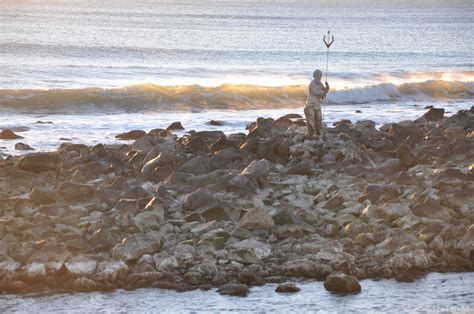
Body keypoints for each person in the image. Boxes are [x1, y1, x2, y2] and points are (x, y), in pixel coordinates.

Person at [304, 69, 329, 138]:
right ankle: (312, 132)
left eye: (320, 75)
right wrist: (322, 94)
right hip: (310, 104)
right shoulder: (312, 84)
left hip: (317, 105)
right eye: (317, 75)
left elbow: (325, 91)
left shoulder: (320, 83)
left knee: (319, 118)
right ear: (314, 76)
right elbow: (316, 93)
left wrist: (327, 86)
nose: (319, 77)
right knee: (312, 117)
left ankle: (318, 132)